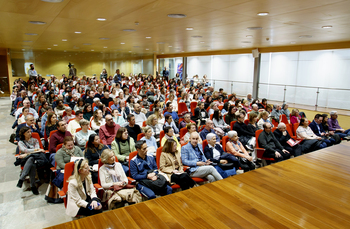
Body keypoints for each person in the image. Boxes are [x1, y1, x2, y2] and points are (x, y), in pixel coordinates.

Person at [16, 127, 46, 195]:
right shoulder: (21, 142)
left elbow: (37, 149)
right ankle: (33, 186)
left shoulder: (35, 140)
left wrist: (26, 154)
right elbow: (24, 150)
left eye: (30, 132)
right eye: (28, 132)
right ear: (24, 134)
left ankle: (22, 178)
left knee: (32, 161)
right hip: (25, 159)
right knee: (31, 159)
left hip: (35, 158)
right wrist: (33, 151)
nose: (30, 133)